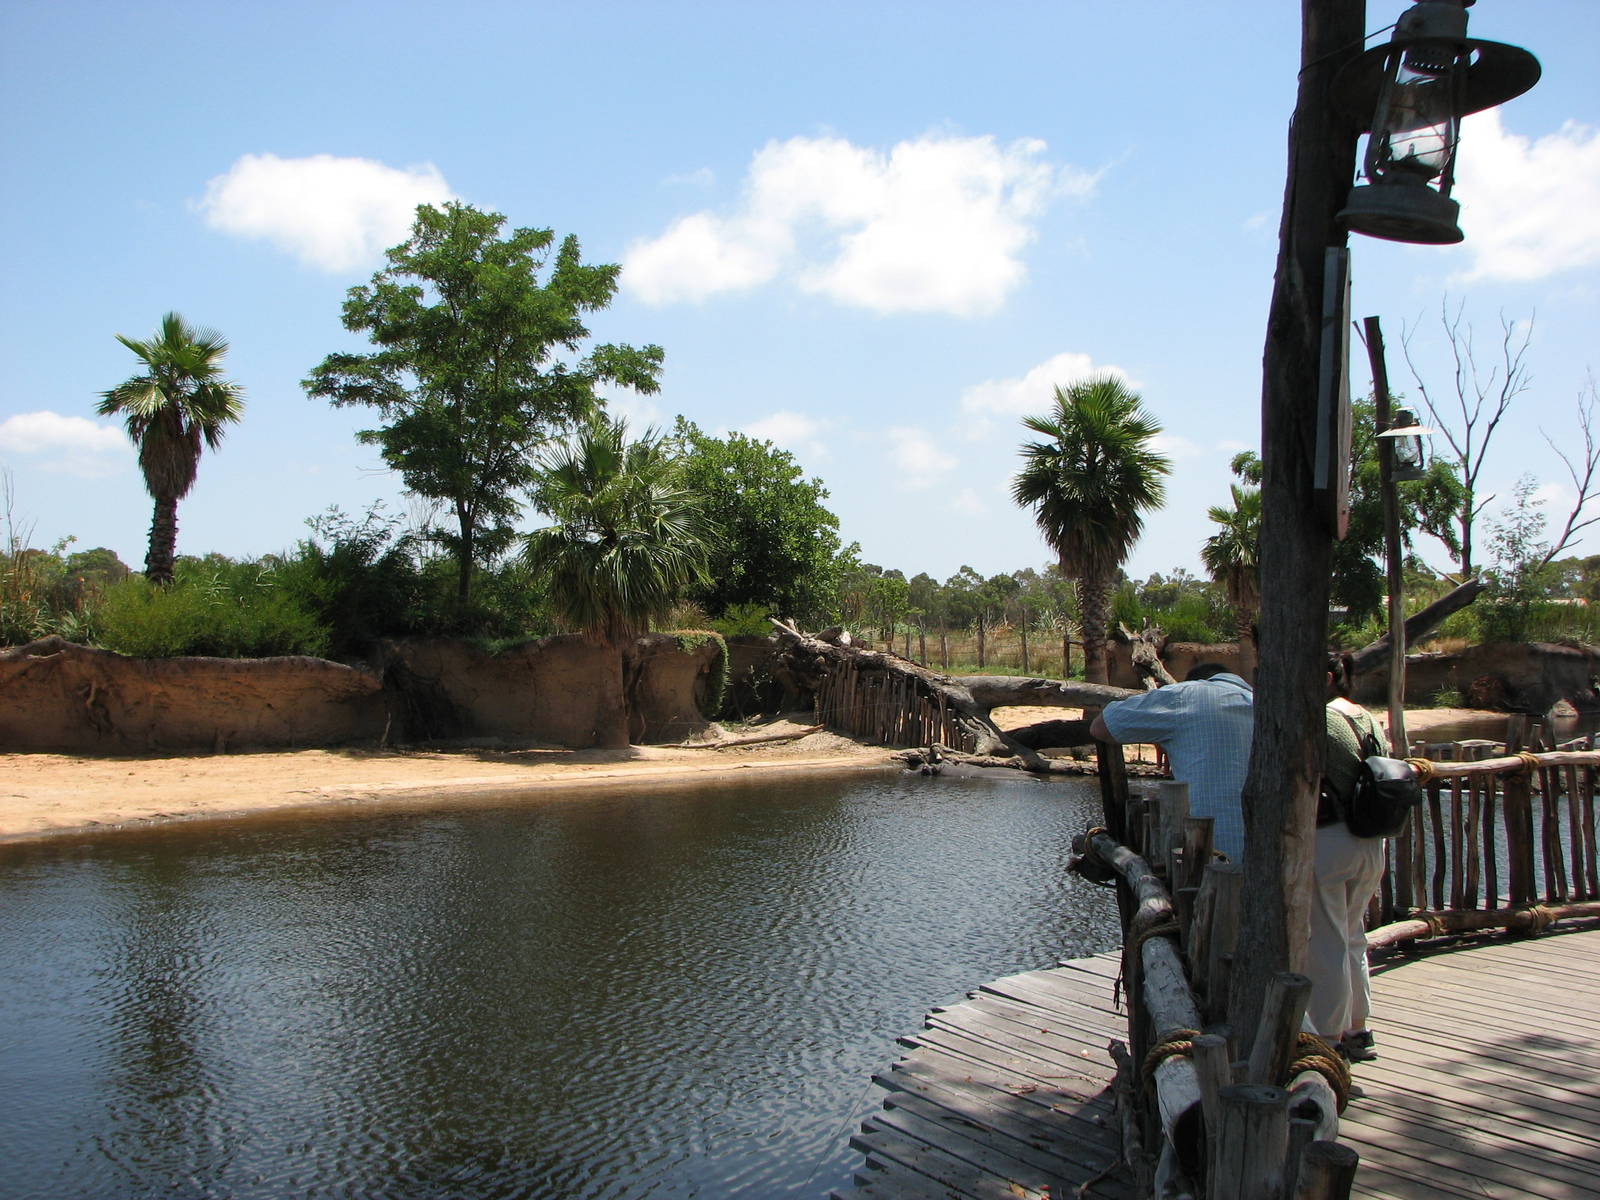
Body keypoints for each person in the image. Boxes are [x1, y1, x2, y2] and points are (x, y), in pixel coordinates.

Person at [1306, 652, 1387, 1061]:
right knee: (1354, 937)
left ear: (1325, 677)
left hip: (1331, 839)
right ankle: (1359, 1029)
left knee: (1327, 942)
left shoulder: (1318, 718)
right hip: (1371, 841)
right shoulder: (1367, 717)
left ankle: (1327, 1038)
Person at [1089, 662, 1253, 860]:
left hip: (1207, 856)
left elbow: (1101, 726)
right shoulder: (1261, 702)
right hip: (1271, 862)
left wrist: (1160, 734)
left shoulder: (1186, 695)